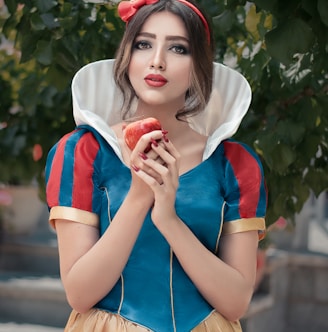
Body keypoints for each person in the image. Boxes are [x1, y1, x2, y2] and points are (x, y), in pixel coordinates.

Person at [45, 0, 267, 331]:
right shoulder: (83, 151)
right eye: (143, 44)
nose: (157, 61)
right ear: (126, 56)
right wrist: (139, 197)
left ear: (199, 67)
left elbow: (235, 302)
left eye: (178, 48)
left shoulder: (234, 163)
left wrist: (168, 218)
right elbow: (80, 293)